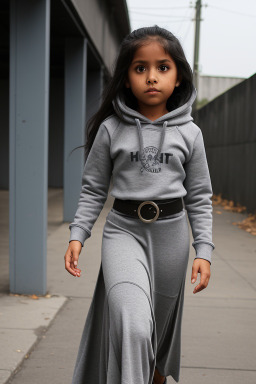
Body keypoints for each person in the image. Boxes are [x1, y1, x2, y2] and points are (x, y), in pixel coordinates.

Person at [64, 25, 215, 384]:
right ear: (127, 78)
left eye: (163, 67)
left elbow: (200, 196)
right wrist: (77, 234)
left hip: (171, 239)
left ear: (178, 77)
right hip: (123, 233)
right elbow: (92, 189)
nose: (151, 77)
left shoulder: (190, 132)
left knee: (156, 340)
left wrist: (204, 250)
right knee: (133, 326)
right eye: (140, 68)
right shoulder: (111, 129)